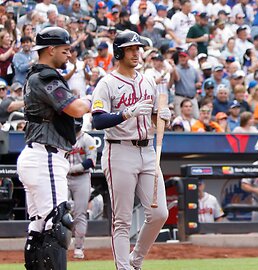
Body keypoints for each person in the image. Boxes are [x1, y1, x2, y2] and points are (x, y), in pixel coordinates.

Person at [91, 30, 170, 270]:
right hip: (120, 150)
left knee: (159, 214)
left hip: (147, 151)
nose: (136, 53)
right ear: (119, 52)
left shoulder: (147, 80)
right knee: (122, 219)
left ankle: (135, 260)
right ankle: (124, 267)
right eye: (131, 49)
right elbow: (98, 120)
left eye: (139, 48)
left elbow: (155, 115)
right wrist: (126, 113)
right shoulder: (107, 83)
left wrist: (163, 116)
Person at [16, 27, 92, 270]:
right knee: (58, 223)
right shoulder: (46, 77)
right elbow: (76, 109)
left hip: (39, 154)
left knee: (40, 226)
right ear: (50, 49)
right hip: (45, 156)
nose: (69, 54)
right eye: (65, 49)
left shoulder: (37, 75)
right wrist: (95, 100)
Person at [67, 118, 97, 259]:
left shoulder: (88, 139)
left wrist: (73, 168)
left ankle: (78, 247)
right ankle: (61, 245)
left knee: (80, 213)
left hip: (81, 177)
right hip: (64, 177)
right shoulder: (62, 137)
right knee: (60, 212)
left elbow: (91, 161)